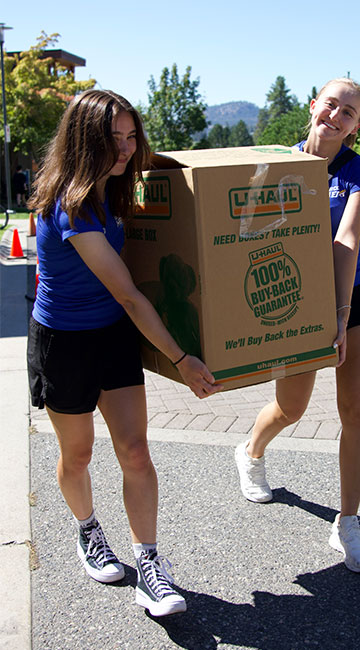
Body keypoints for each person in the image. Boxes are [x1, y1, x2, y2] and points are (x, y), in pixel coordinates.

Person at [27, 89, 220, 617]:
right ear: (84, 141)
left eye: (133, 137)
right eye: (114, 139)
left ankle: (150, 566)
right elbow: (129, 293)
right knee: (79, 455)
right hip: (63, 342)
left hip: (111, 336)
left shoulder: (117, 189)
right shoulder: (72, 205)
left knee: (135, 451)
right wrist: (183, 359)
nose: (127, 149)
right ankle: (88, 530)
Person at [235, 78, 360, 573]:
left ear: (356, 126)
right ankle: (252, 451)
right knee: (292, 405)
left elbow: (347, 239)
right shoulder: (277, 162)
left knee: (357, 408)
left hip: (354, 294)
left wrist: (341, 317)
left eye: (349, 112)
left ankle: (348, 523)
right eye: (331, 104)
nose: (336, 116)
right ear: (314, 107)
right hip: (295, 296)